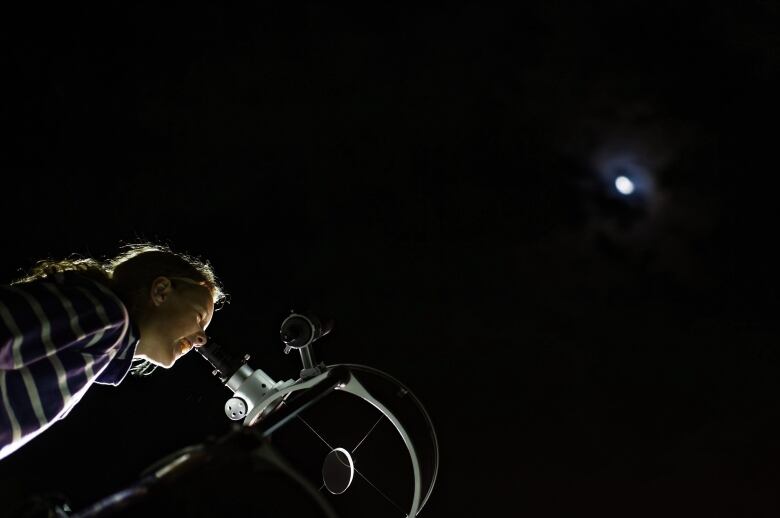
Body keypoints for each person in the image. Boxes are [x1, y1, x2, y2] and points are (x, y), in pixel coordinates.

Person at [0, 243, 227, 461]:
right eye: (198, 317)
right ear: (161, 291)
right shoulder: (106, 313)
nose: (201, 339)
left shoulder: (102, 346)